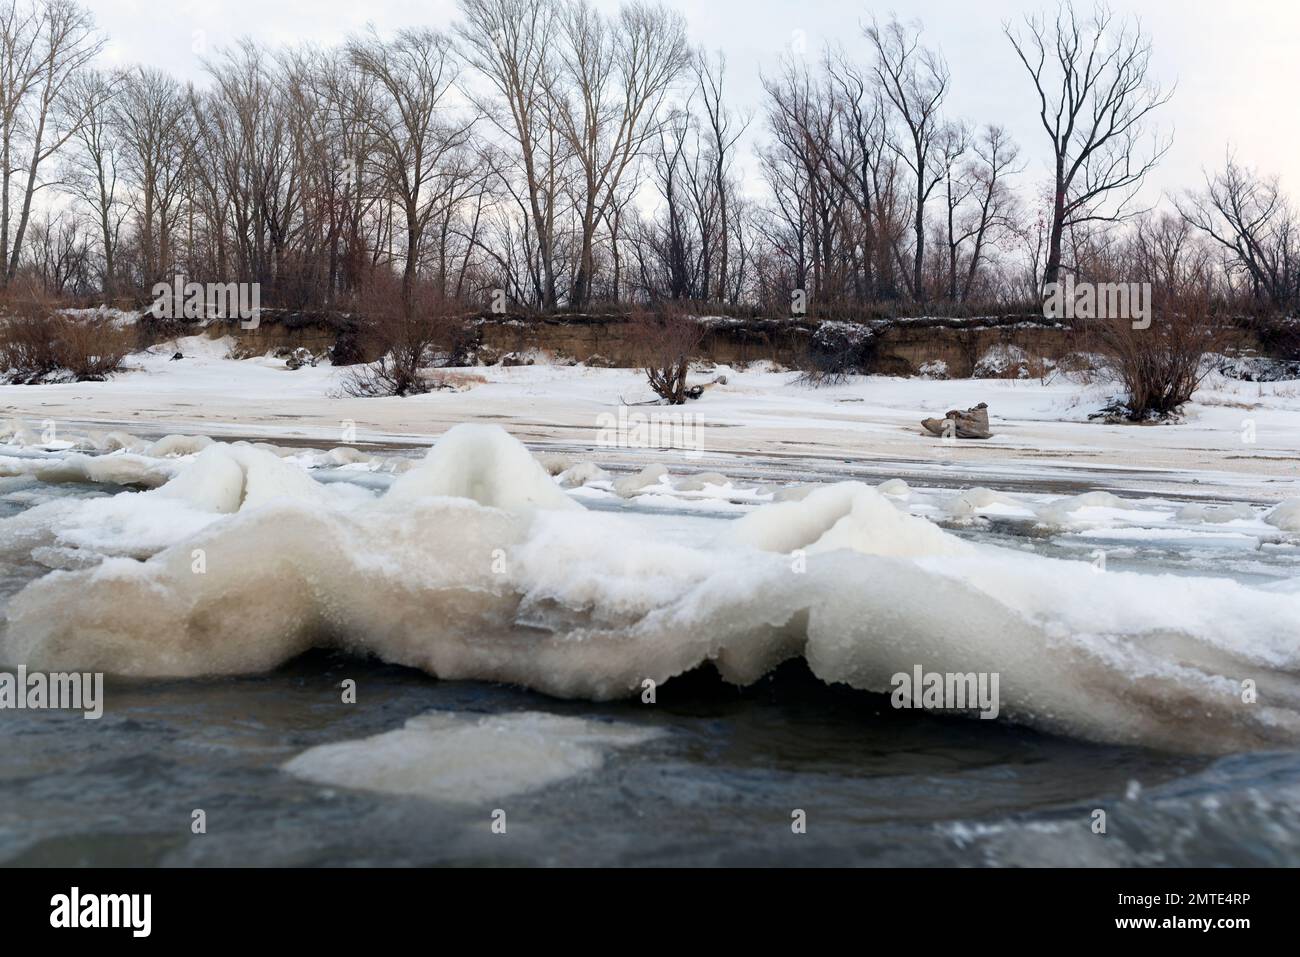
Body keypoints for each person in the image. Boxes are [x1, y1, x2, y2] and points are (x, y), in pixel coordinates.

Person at [921, 402, 991, 439]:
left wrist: (957, 414)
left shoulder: (980, 415)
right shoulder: (980, 415)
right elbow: (968, 415)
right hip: (973, 428)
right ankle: (929, 422)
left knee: (946, 425)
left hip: (966, 427)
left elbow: (967, 416)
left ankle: (929, 422)